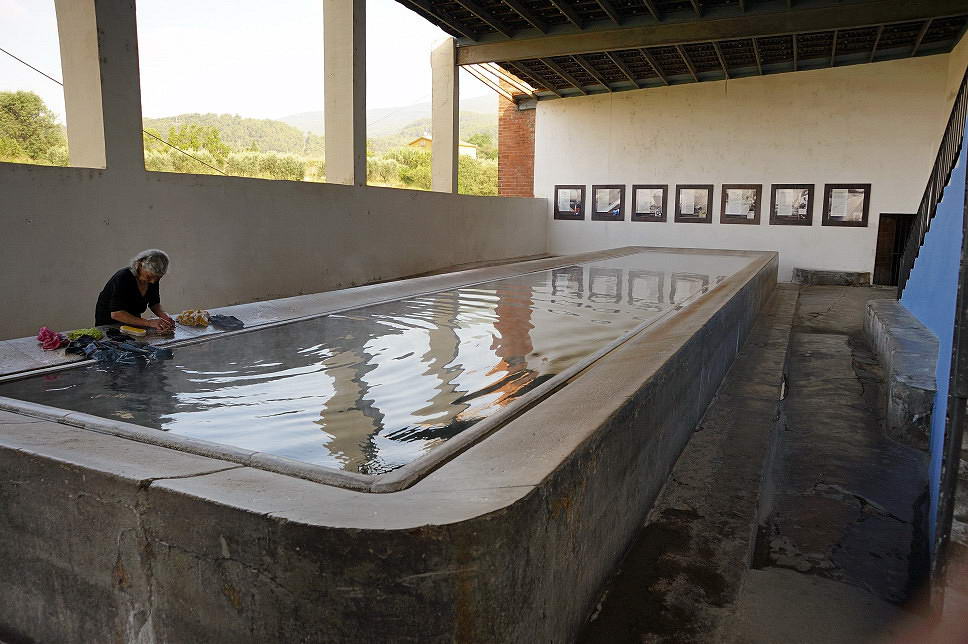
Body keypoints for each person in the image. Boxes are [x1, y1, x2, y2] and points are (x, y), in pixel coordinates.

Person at [94, 249, 175, 330]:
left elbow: (154, 303)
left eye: (157, 278)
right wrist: (149, 323)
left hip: (133, 321)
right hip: (110, 323)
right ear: (140, 265)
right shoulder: (123, 277)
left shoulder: (153, 279)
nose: (153, 281)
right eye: (150, 276)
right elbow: (117, 313)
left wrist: (164, 316)